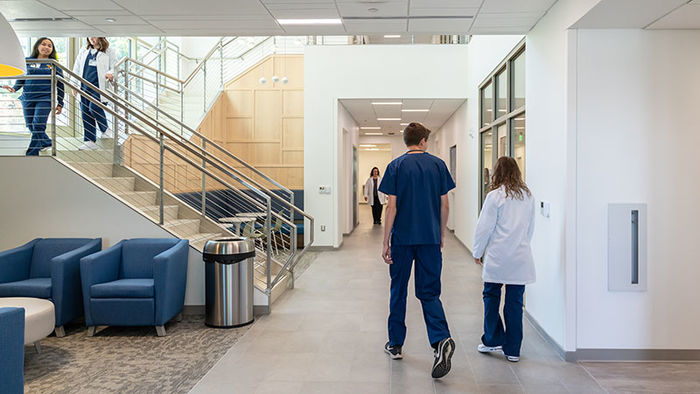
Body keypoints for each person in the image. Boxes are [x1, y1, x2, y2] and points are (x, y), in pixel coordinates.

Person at [379, 122, 456, 379]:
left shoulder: (396, 166)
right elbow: (445, 204)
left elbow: (391, 207)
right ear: (423, 141)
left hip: (402, 239)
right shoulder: (438, 165)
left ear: (406, 141)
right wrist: (441, 231)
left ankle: (396, 344)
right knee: (429, 292)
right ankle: (440, 340)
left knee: (398, 290)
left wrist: (385, 240)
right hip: (430, 239)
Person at [472, 156, 536, 363]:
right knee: (515, 303)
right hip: (520, 257)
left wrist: (477, 252)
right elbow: (530, 228)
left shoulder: (495, 196)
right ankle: (513, 349)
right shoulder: (527, 196)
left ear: (497, 173)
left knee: (491, 297)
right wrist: (521, 244)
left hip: (498, 257)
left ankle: (492, 339)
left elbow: (484, 228)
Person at [2, 37, 64, 156]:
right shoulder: (27, 61)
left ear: (52, 50)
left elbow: (60, 85)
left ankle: (32, 153)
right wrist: (14, 88)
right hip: (28, 98)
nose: (46, 47)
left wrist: (60, 103)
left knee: (38, 125)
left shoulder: (53, 64)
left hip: (45, 99)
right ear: (37, 46)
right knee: (30, 125)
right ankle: (45, 141)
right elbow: (22, 78)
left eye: (49, 46)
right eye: (43, 44)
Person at [72, 37, 117, 150]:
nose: (92, 38)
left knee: (94, 107)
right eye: (89, 36)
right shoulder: (84, 50)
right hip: (84, 86)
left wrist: (111, 73)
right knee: (85, 112)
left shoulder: (109, 51)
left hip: (100, 87)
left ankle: (105, 129)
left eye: (94, 35)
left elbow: (115, 67)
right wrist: (74, 84)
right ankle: (89, 141)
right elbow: (76, 68)